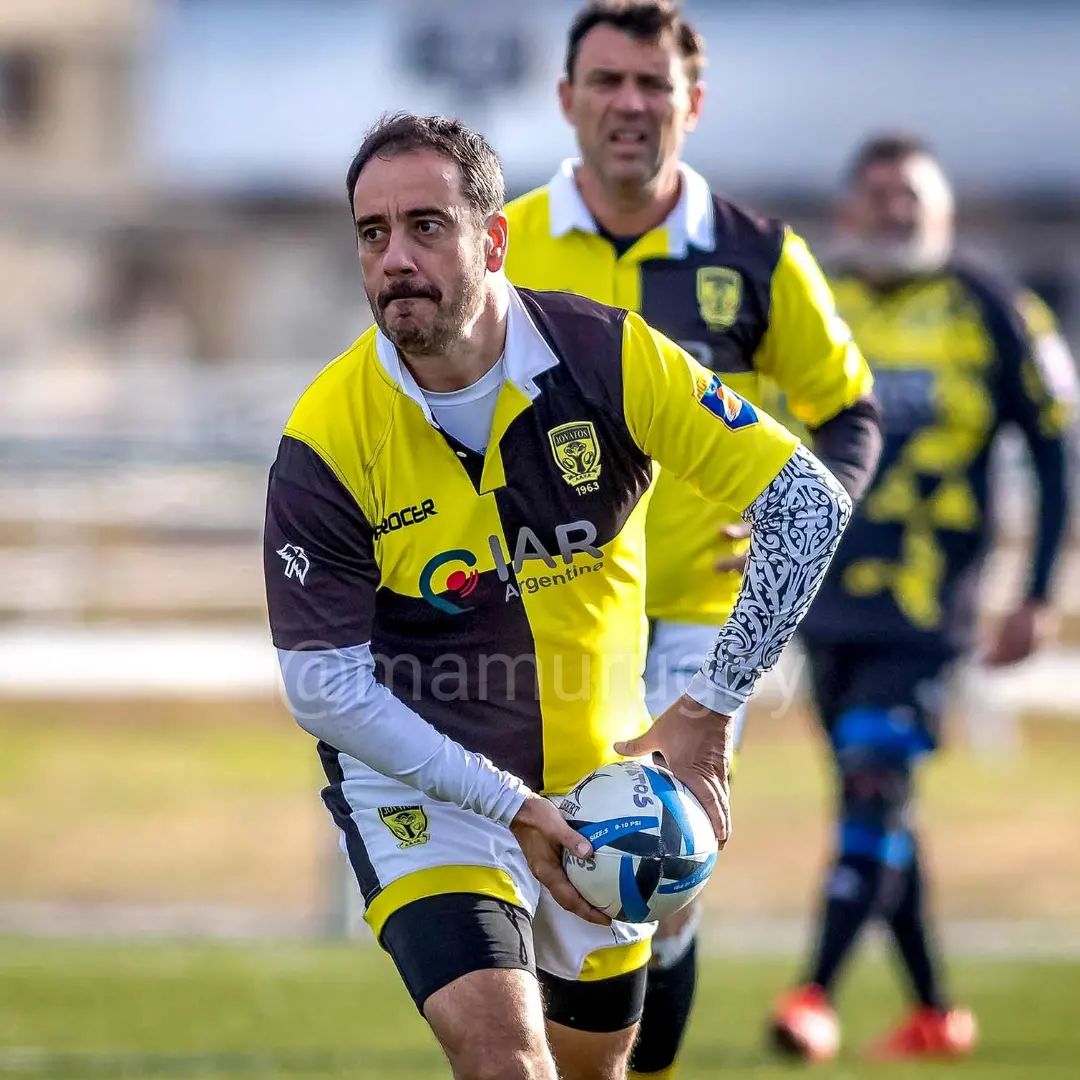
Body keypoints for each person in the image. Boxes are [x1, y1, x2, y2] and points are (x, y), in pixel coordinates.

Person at [264, 112, 852, 1080]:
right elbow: (321, 688)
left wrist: (710, 704)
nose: (395, 259)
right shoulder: (327, 436)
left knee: (590, 1073)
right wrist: (508, 804)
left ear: (492, 238)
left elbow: (806, 504)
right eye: (373, 234)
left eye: (426, 226)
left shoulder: (609, 356)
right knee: (508, 1063)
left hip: (600, 794)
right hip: (426, 794)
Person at [503, 3, 882, 1075]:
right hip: (556, 619)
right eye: (609, 81)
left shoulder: (761, 257)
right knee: (555, 874)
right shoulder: (505, 244)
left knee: (657, 876)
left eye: (653, 85)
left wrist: (789, 528)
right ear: (567, 98)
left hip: (702, 627)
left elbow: (848, 414)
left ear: (693, 103)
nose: (631, 104)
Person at [769, 133, 1077, 1062]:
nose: (896, 212)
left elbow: (1056, 448)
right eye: (879, 196)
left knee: (873, 782)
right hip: (823, 604)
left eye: (914, 197)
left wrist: (1036, 592)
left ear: (941, 211)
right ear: (849, 209)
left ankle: (812, 995)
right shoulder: (813, 302)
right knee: (879, 805)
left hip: (928, 611)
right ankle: (938, 1013)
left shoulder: (996, 308)